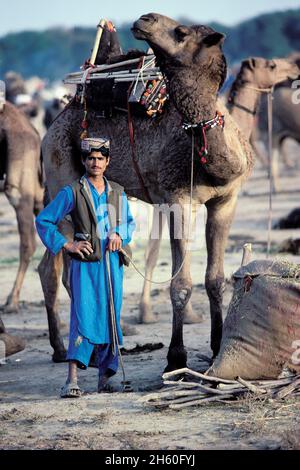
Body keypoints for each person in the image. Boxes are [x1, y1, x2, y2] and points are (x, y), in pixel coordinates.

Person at [36, 137, 135, 397]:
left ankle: (105, 378)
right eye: (91, 158)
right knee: (83, 314)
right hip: (86, 265)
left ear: (107, 161)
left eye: (100, 158)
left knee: (110, 315)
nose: (96, 163)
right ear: (83, 161)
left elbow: (129, 223)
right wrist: (67, 245)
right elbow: (44, 220)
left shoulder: (118, 192)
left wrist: (119, 236)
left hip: (112, 264)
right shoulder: (72, 192)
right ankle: (72, 379)